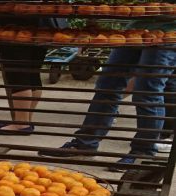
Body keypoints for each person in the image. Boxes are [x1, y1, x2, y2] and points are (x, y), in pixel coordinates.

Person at [39, 20, 176, 168]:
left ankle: (143, 153)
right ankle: (85, 145)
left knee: (147, 91)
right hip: (134, 29)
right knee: (108, 85)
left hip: (169, 35)